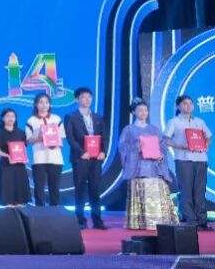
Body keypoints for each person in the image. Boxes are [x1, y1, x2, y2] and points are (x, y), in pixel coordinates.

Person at [120, 100, 179, 230]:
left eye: (145, 110)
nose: (143, 113)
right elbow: (122, 148)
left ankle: (159, 221)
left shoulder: (154, 129)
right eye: (140, 110)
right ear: (134, 112)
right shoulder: (128, 130)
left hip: (154, 166)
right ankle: (141, 222)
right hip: (138, 167)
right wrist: (136, 147)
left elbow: (162, 146)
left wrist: (161, 155)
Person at [165, 95, 212, 231]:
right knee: (186, 191)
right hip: (183, 159)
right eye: (185, 103)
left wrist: (205, 145)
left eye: (191, 103)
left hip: (201, 159)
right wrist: (181, 146)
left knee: (200, 191)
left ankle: (202, 221)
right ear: (178, 106)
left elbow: (208, 136)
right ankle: (191, 221)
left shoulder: (199, 121)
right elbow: (166, 140)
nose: (188, 106)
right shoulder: (174, 122)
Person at [64, 87, 109, 229]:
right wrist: (82, 152)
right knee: (80, 189)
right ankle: (80, 220)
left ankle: (98, 220)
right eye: (83, 97)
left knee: (95, 188)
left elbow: (104, 137)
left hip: (96, 159)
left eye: (89, 97)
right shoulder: (71, 117)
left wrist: (103, 152)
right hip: (80, 158)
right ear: (77, 99)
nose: (87, 99)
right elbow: (70, 138)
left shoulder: (98, 117)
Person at [26, 93, 65, 206]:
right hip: (39, 158)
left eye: (46, 102)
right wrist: (39, 138)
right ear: (36, 104)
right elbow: (28, 140)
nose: (44, 105)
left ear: (50, 104)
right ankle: (39, 211)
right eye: (41, 102)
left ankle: (55, 211)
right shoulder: (31, 120)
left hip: (55, 158)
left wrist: (53, 140)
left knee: (55, 187)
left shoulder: (57, 119)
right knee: (39, 187)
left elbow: (62, 136)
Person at [0, 108, 31, 207]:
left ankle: (19, 207)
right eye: (8, 116)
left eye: (13, 116)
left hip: (20, 165)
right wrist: (8, 156)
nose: (11, 119)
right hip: (6, 164)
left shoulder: (21, 133)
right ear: (2, 118)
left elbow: (23, 148)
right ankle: (9, 208)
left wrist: (25, 158)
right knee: (8, 187)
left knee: (19, 188)